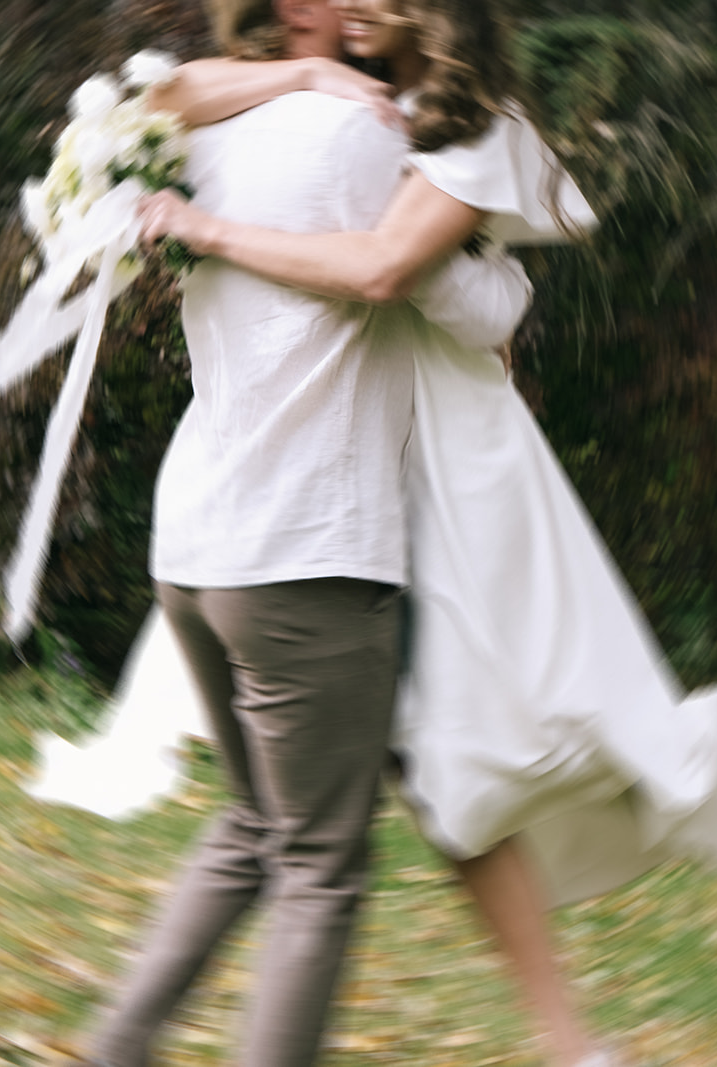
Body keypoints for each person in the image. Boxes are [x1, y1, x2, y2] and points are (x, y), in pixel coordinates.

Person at [133, 1, 717, 1064]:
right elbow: (167, 95)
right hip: (347, 466)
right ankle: (574, 1041)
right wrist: (304, 83)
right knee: (436, 772)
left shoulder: (477, 136)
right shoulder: (337, 101)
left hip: (441, 470)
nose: (340, 8)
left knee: (482, 738)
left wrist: (210, 227)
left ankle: (596, 993)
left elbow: (386, 270)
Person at [80, 1, 538, 1065]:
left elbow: (159, 95)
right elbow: (455, 297)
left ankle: (116, 1044)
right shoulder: (373, 139)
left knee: (253, 828)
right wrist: (501, 267)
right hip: (308, 550)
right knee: (322, 866)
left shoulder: (193, 135)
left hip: (195, 543)